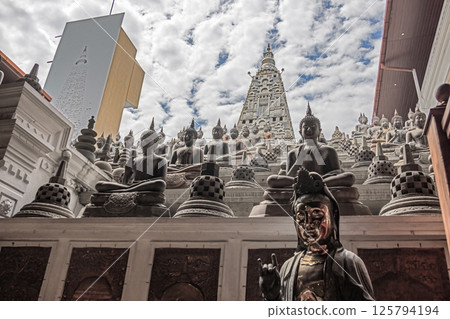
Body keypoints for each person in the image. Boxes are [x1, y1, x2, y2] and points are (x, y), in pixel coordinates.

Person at [258, 168, 375, 301]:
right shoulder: (288, 267)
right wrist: (272, 296)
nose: (308, 224)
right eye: (301, 217)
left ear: (332, 217)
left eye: (317, 214)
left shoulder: (349, 262)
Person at [286, 104, 353, 187]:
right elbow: (288, 177)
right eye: (305, 127)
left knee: (349, 177)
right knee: (272, 180)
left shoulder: (328, 150)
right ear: (300, 132)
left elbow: (336, 172)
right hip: (299, 181)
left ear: (320, 131)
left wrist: (318, 178)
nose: (309, 129)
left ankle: (316, 184)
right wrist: (299, 160)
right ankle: (315, 185)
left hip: (323, 179)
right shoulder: (293, 153)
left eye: (313, 127)